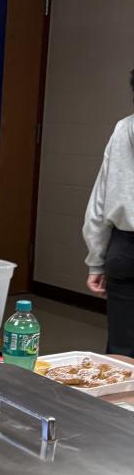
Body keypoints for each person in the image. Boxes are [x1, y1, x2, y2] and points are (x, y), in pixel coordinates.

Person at [83, 72, 134, 357]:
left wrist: (96, 262)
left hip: (125, 249)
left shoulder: (123, 129)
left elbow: (100, 202)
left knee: (122, 350)